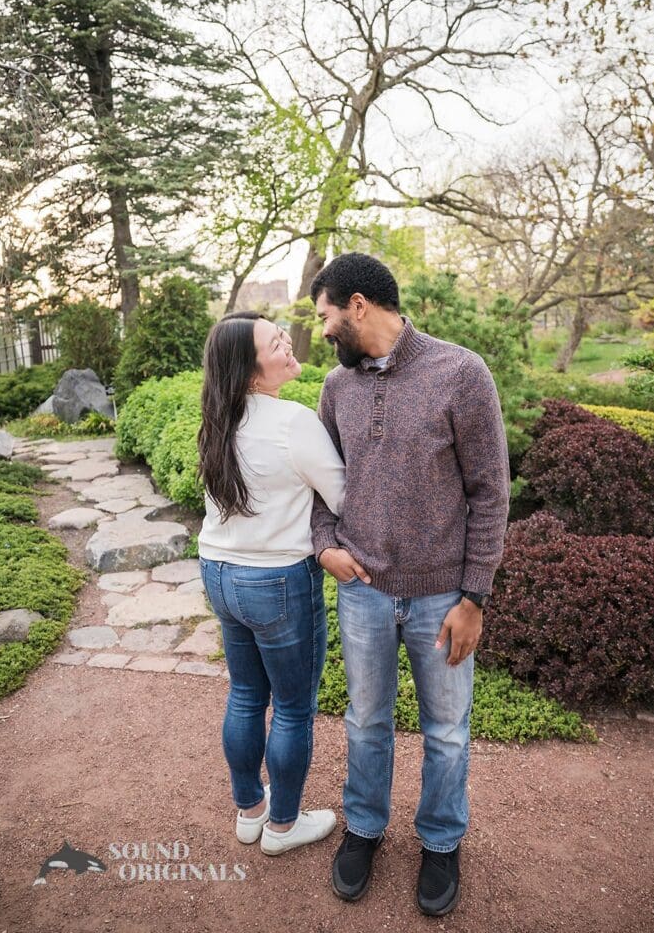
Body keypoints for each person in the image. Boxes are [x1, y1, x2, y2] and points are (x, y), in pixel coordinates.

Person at [309, 254, 510, 916]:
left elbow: (489, 493)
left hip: (440, 598)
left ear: (357, 305)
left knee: (447, 730)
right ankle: (363, 829)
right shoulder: (337, 389)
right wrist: (324, 546)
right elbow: (322, 483)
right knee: (365, 722)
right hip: (362, 590)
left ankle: (441, 841)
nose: (321, 331)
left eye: (324, 316)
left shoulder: (460, 372)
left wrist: (473, 596)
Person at [197, 310, 346, 856]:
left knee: (243, 696)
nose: (289, 345)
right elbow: (344, 499)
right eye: (276, 343)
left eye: (283, 336)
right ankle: (283, 825)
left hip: (218, 571)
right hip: (277, 580)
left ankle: (249, 810)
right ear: (250, 369)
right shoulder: (293, 422)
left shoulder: (217, 418)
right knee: (291, 707)